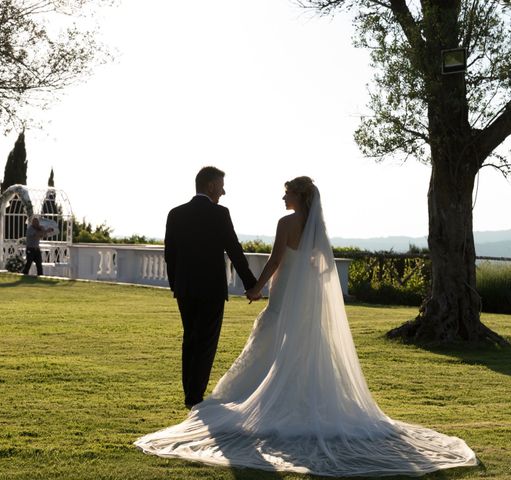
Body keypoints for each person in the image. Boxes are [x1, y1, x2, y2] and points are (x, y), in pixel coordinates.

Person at [136, 176, 478, 476]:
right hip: (305, 294)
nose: (283, 198)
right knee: (301, 343)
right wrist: (305, 284)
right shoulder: (318, 228)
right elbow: (324, 268)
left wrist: (256, 287)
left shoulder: (286, 223)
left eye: (286, 193)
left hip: (285, 291)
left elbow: (275, 260)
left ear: (297, 197)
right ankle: (297, 397)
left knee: (273, 339)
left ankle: (253, 399)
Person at [164, 166, 258, 409]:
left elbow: (170, 256)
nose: (224, 192)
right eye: (221, 186)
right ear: (211, 186)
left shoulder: (175, 214)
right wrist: (251, 285)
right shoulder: (220, 214)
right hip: (212, 289)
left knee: (190, 339)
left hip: (185, 289)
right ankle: (194, 396)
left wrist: (177, 285)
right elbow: (235, 251)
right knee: (206, 342)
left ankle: (190, 393)